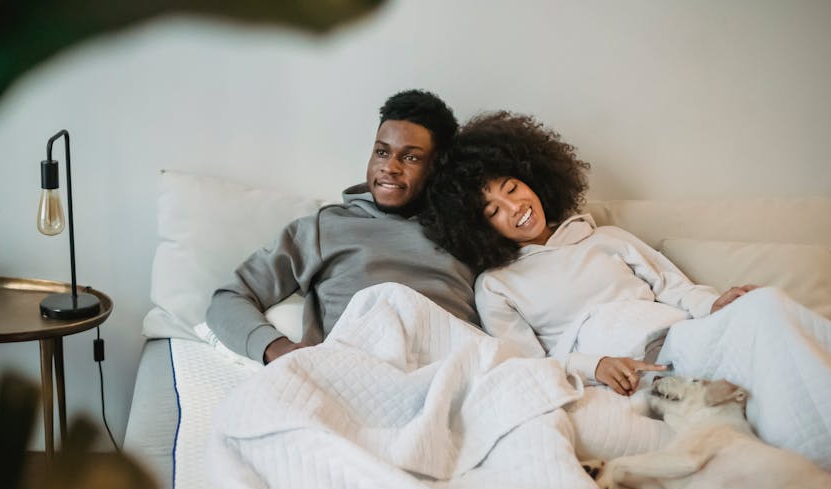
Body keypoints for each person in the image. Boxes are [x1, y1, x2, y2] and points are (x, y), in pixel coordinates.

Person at [420, 111, 755, 396]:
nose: (514, 206)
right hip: (632, 375)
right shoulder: (496, 286)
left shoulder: (607, 238)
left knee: (766, 305)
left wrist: (715, 304)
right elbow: (526, 364)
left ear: (531, 178)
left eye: (512, 188)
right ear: (479, 229)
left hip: (683, 338)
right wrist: (594, 366)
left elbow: (673, 287)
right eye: (493, 211)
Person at [207, 89, 479, 364]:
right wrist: (278, 349)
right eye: (382, 152)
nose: (390, 167)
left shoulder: (468, 230)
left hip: (453, 371)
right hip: (355, 369)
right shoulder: (323, 229)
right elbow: (228, 299)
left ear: (437, 167)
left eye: (410, 158)